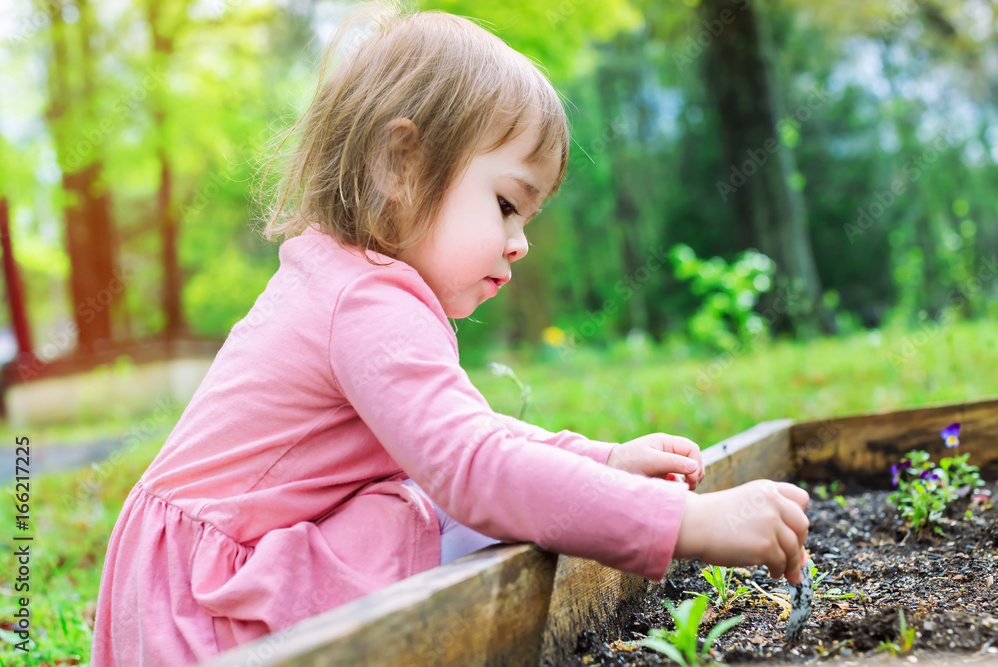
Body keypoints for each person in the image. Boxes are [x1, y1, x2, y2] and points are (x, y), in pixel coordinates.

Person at [91, 5, 809, 665]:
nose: (519, 242)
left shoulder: (345, 277)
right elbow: (476, 468)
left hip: (185, 586)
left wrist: (602, 460)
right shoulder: (366, 300)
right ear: (396, 163)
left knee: (430, 492)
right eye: (505, 204)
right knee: (431, 502)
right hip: (205, 613)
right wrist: (687, 520)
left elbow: (468, 435)